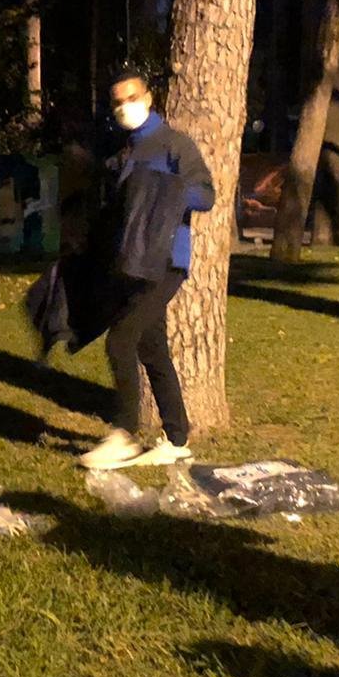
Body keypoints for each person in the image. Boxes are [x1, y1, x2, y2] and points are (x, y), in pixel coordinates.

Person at [79, 70, 215, 470]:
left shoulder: (174, 143)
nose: (125, 108)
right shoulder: (125, 152)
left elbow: (205, 195)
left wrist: (161, 188)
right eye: (117, 102)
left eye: (131, 98)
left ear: (149, 98)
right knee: (152, 348)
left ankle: (123, 435)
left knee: (119, 340)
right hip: (132, 263)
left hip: (166, 261)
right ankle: (177, 439)